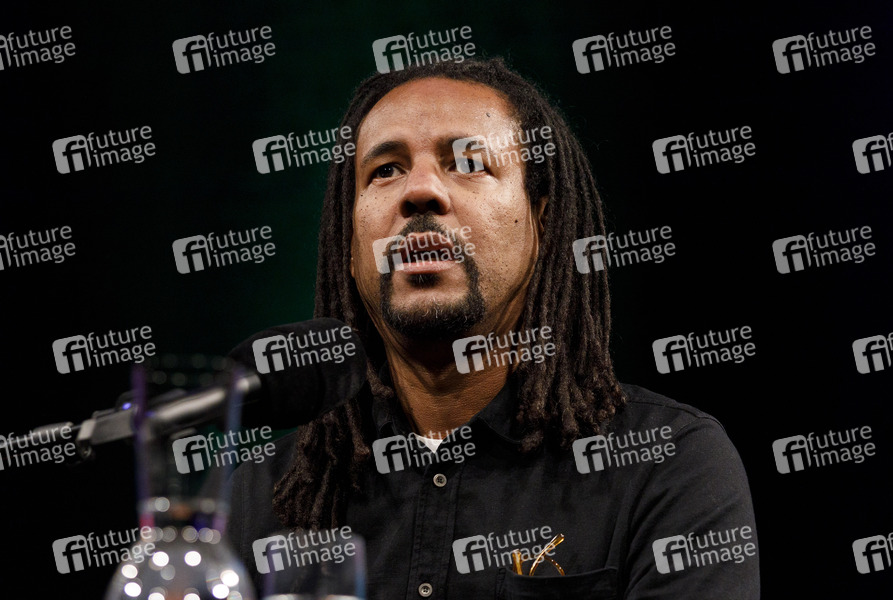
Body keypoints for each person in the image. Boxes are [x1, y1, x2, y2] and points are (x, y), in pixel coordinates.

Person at [227, 57, 759, 599]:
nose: (420, 190)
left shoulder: (668, 463)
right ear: (349, 242)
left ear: (543, 222)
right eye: (385, 169)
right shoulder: (262, 493)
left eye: (468, 162)